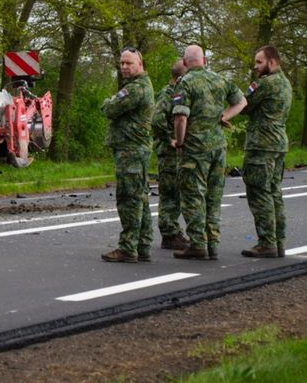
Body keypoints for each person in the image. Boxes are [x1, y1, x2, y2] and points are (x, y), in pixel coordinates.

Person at [170, 45, 246, 260]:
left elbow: (181, 117)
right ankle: (212, 243)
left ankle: (198, 244)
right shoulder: (220, 79)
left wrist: (180, 142)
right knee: (213, 196)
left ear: (185, 63)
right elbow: (241, 101)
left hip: (195, 149)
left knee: (193, 196)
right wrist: (224, 116)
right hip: (218, 148)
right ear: (205, 60)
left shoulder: (185, 83)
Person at [100, 47, 155, 263]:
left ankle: (128, 247)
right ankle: (143, 245)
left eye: (129, 63)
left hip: (131, 151)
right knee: (140, 198)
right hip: (135, 150)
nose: (124, 66)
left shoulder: (136, 88)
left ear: (140, 64)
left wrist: (108, 101)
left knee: (129, 199)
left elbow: (109, 109)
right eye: (122, 63)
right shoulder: (138, 86)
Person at [239, 45, 292, 258]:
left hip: (262, 145)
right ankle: (279, 242)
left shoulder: (266, 84)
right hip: (279, 145)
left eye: (259, 62)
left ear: (272, 62)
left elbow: (244, 104)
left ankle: (266, 242)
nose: (255, 67)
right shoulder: (286, 83)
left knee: (259, 194)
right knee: (274, 193)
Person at [153, 59, 190, 250]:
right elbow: (157, 120)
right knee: (169, 194)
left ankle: (174, 231)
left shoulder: (178, 93)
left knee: (176, 193)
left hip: (175, 152)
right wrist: (170, 139)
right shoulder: (168, 94)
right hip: (168, 153)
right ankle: (168, 233)